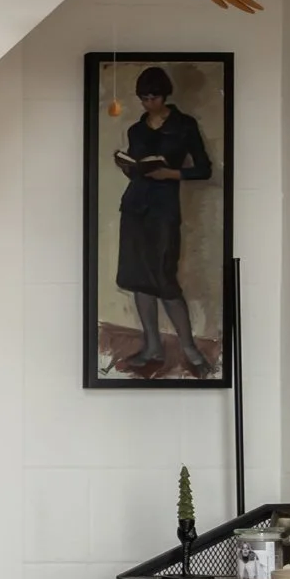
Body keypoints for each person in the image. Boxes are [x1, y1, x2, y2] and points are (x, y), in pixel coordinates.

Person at [113, 65, 213, 375]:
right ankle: (153, 346)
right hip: (134, 207)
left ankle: (189, 349)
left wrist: (171, 173)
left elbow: (204, 168)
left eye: (153, 97)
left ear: (165, 95)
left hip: (164, 210)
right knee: (138, 281)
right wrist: (130, 167)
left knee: (165, 281)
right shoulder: (136, 130)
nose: (148, 104)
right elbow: (137, 164)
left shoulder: (184, 125)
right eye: (143, 99)